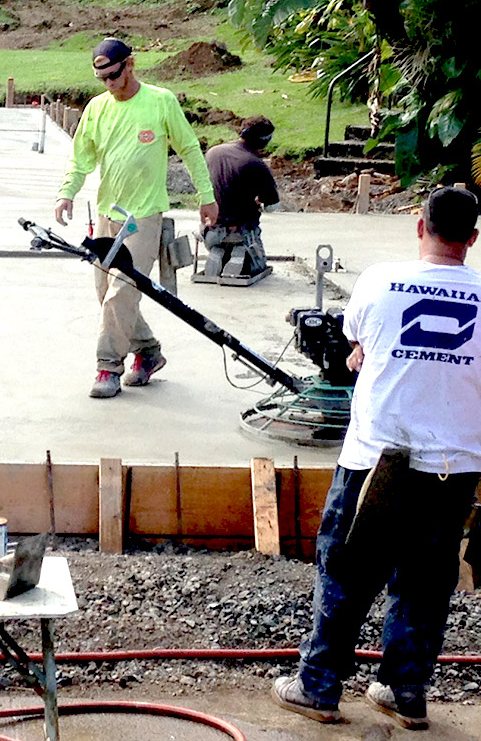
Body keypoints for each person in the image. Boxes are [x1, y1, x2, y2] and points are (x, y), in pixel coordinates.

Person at [272, 186, 481, 731]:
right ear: (474, 239)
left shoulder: (378, 281)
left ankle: (317, 687)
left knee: (346, 568)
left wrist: (371, 353)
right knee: (428, 579)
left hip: (378, 461)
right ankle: (405, 691)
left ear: (420, 226)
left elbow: (356, 344)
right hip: (456, 467)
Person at [53, 37, 219, 398]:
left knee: (122, 290)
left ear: (130, 65)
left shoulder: (160, 102)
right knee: (106, 293)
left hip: (143, 215)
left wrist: (206, 197)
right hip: (108, 211)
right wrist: (67, 192)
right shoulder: (97, 109)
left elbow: (189, 149)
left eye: (114, 75)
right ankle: (147, 351)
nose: (110, 85)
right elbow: (81, 158)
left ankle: (108, 367)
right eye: (103, 79)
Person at [202, 116, 281, 276]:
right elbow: (272, 205)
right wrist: (258, 202)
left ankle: (219, 253)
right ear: (264, 141)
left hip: (210, 231)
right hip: (242, 234)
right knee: (258, 267)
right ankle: (240, 257)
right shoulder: (255, 164)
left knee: (218, 243)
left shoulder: (213, 152)